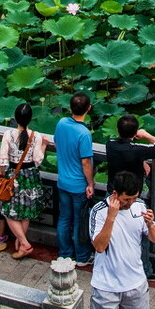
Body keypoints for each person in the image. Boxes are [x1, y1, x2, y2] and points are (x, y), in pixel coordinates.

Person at [88, 170, 155, 309]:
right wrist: (111, 217)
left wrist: (150, 224)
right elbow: (99, 246)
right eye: (127, 199)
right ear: (115, 194)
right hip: (106, 285)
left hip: (135, 281)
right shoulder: (98, 211)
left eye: (134, 198)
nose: (130, 203)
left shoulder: (139, 207)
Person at [104, 114, 155, 281]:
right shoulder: (137, 149)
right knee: (142, 234)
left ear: (117, 130)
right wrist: (145, 135)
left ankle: (111, 266)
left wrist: (141, 162)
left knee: (111, 232)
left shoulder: (110, 145)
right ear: (135, 132)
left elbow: (124, 152)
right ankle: (146, 270)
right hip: (132, 200)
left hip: (112, 196)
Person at [0, 102, 50, 259]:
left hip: (14, 175)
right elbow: (37, 160)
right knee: (25, 212)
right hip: (30, 176)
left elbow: (2, 160)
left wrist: (3, 174)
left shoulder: (8, 134)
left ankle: (24, 244)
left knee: (8, 211)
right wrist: (44, 146)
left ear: (15, 118)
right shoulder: (36, 136)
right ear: (31, 118)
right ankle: (21, 244)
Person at [55, 92, 96, 267]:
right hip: (79, 184)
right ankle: (81, 256)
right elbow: (86, 162)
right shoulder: (84, 133)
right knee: (80, 221)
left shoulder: (61, 123)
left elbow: (57, 143)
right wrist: (90, 183)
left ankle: (65, 254)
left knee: (64, 218)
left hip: (62, 181)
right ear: (89, 108)